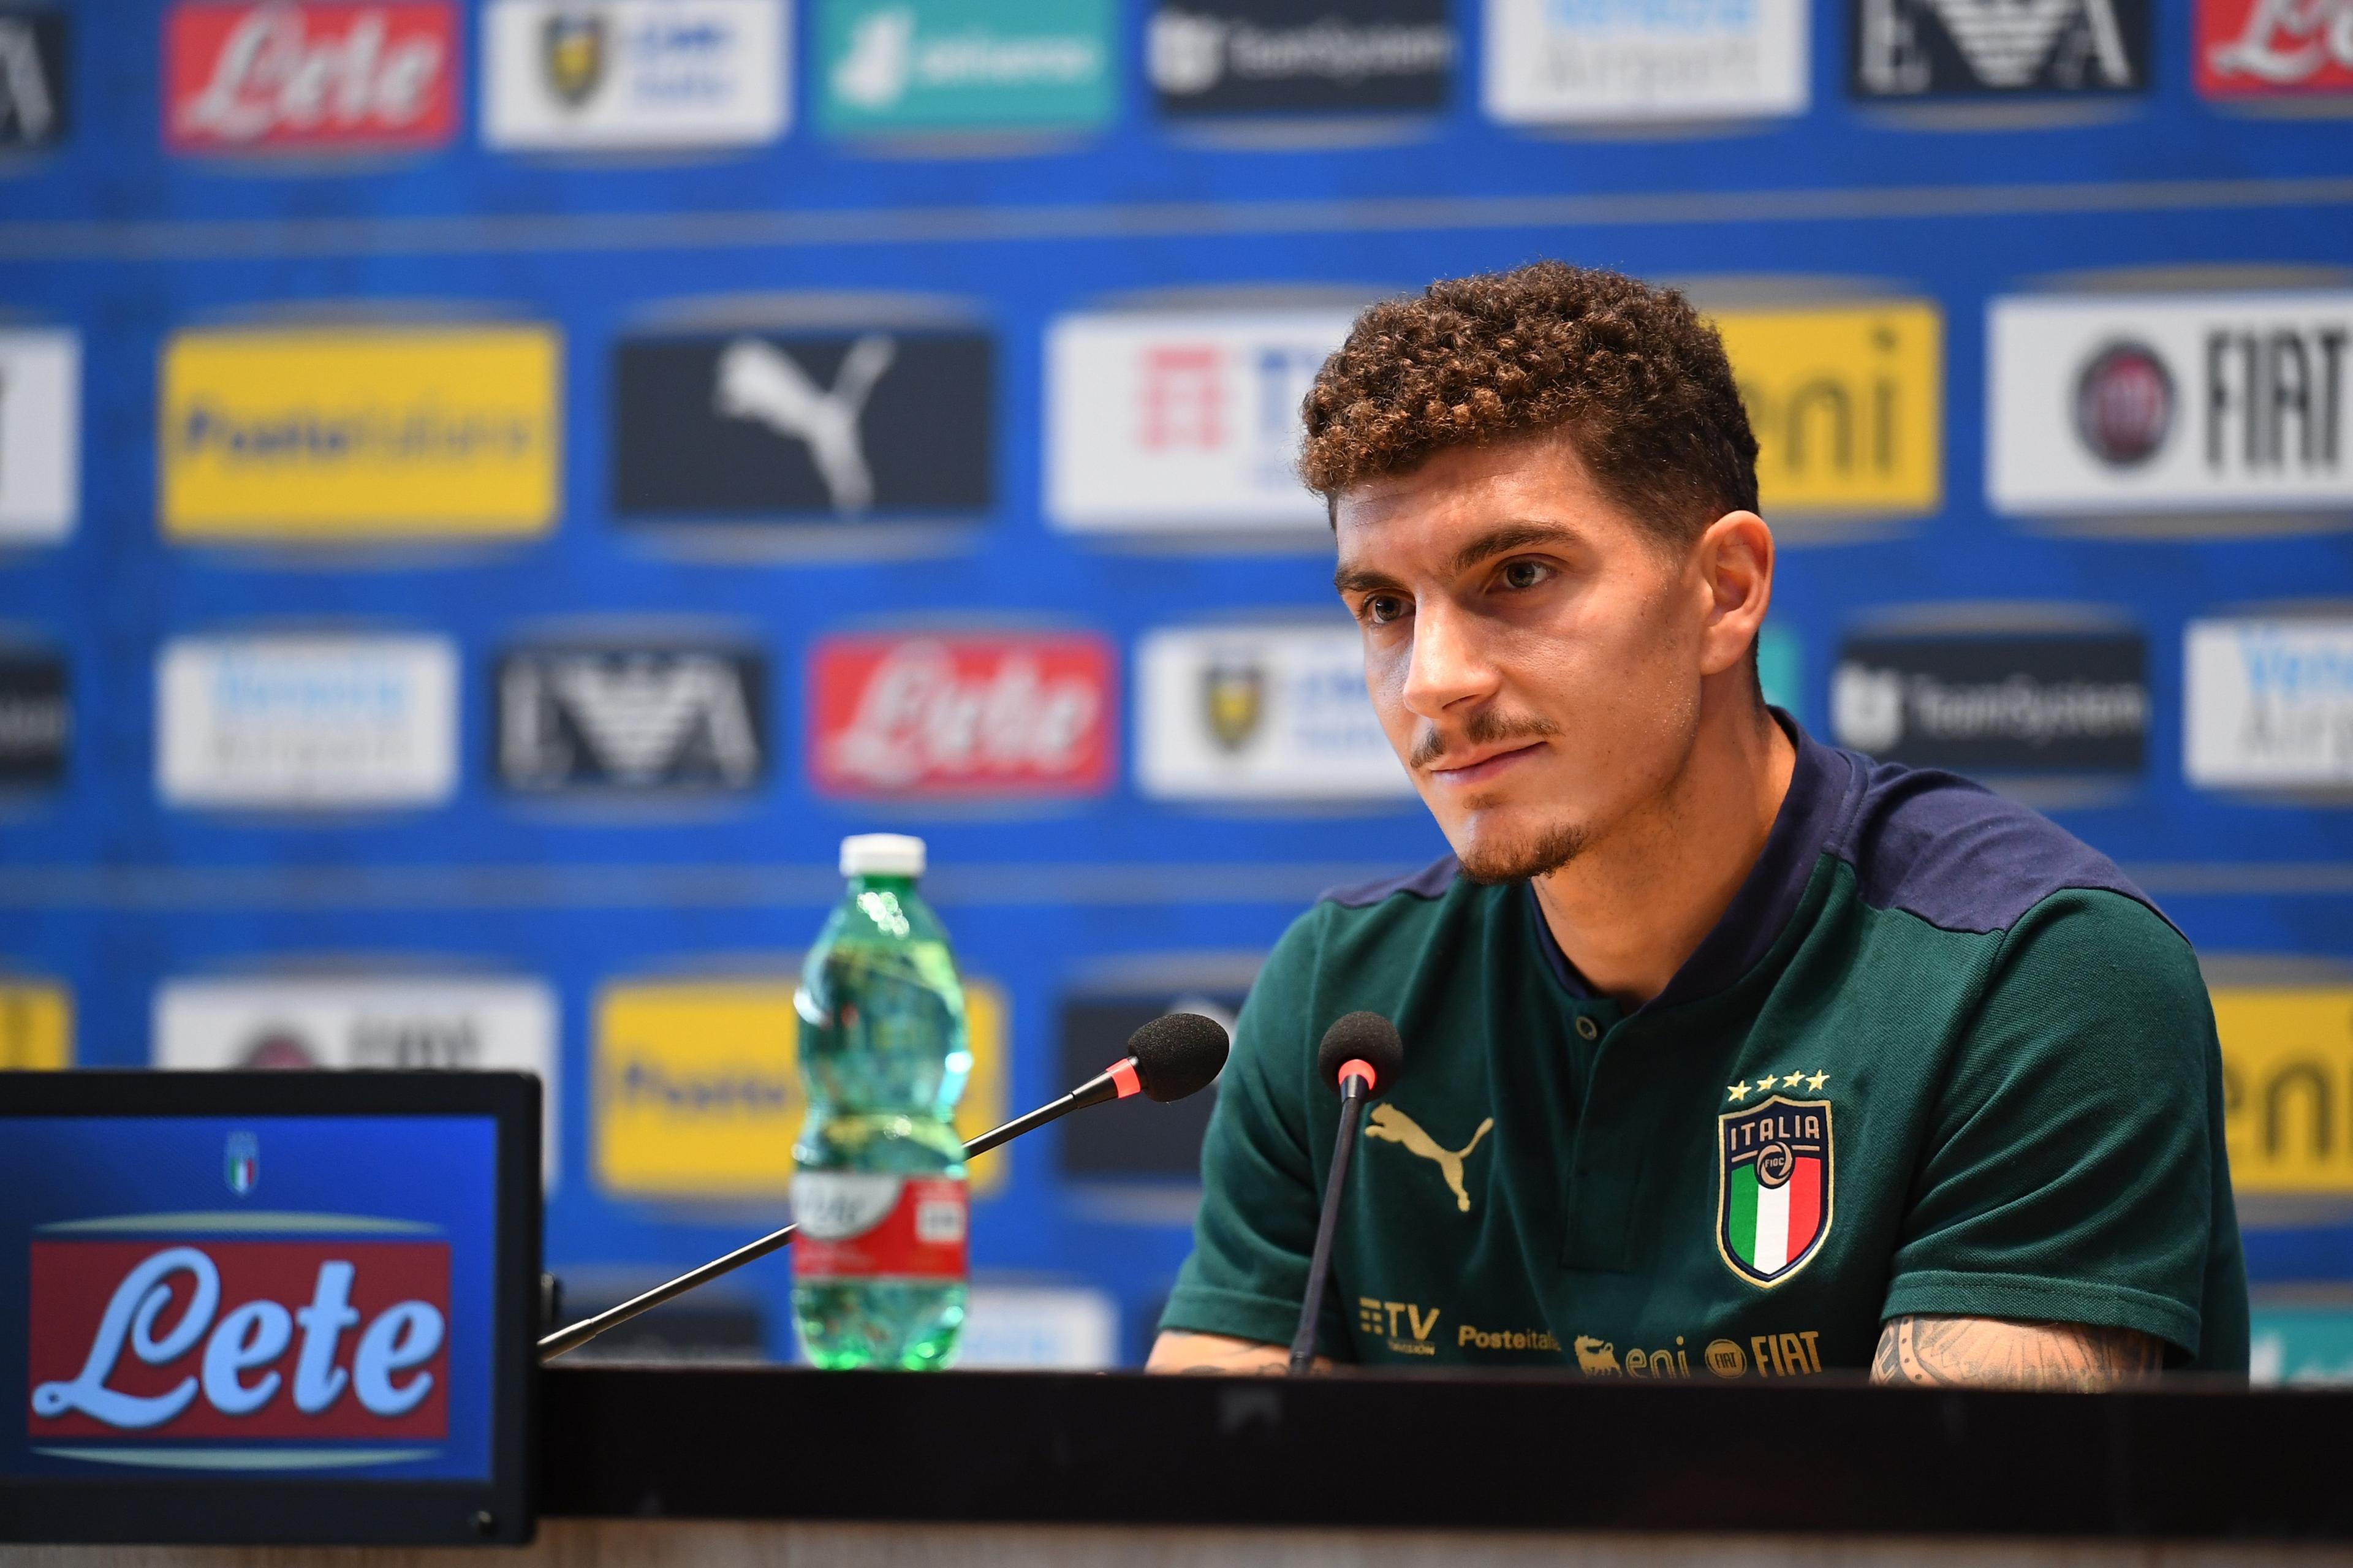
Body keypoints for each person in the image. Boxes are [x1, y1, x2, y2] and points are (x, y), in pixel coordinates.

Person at [1148, 262, 2246, 1388]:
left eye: (1518, 575)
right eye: (1385, 607)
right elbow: (1203, 1514)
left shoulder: (2034, 976)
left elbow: (1958, 1533)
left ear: (1725, 590)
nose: (1433, 679)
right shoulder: (1343, 1004)